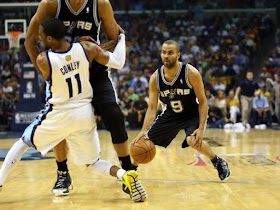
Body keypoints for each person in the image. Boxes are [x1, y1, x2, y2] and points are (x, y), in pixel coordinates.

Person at [0, 18, 147, 202]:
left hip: (60, 113)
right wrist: (121, 38)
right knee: (92, 163)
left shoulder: (43, 59)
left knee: (22, 143)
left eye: (42, 35)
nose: (39, 37)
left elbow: (37, 54)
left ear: (51, 39)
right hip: (85, 113)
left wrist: (32, 39)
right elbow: (118, 62)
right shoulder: (86, 48)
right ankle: (124, 175)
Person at [24, 0, 133, 196]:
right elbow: (29, 40)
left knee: (113, 114)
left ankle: (129, 169)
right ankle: (63, 172)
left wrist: (91, 49)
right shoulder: (50, 5)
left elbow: (116, 39)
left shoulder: (101, 4)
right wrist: (44, 73)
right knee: (59, 120)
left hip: (96, 71)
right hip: (62, 72)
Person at [134, 40, 231, 181]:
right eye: (163, 52)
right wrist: (144, 130)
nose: (166, 56)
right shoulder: (155, 78)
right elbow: (152, 107)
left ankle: (217, 161)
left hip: (192, 114)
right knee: (144, 142)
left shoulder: (191, 73)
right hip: (171, 114)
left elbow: (203, 102)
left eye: (170, 53)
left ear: (178, 55)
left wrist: (201, 128)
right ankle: (131, 170)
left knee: (192, 140)